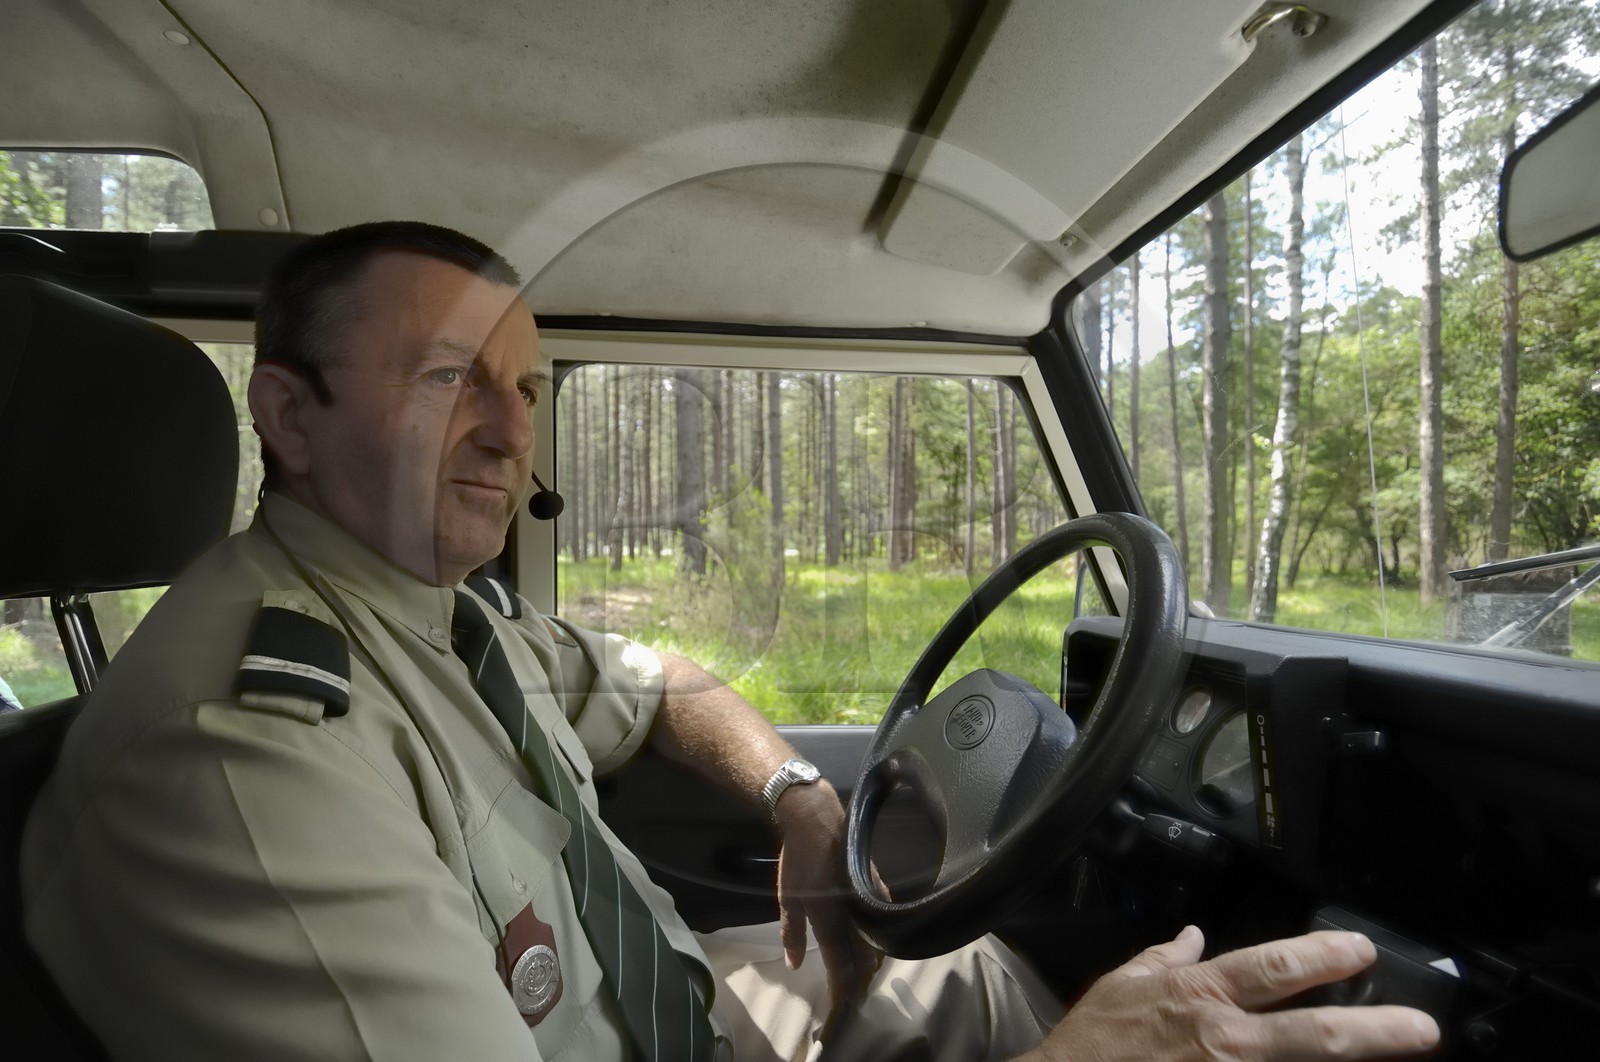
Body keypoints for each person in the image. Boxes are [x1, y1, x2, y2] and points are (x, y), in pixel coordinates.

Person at [21, 222, 1441, 1061]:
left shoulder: (439, 614)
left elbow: (663, 685)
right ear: (288, 415)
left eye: (528, 386)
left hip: (694, 1014)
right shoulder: (246, 752)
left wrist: (800, 798)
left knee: (992, 973)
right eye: (452, 377)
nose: (514, 431)